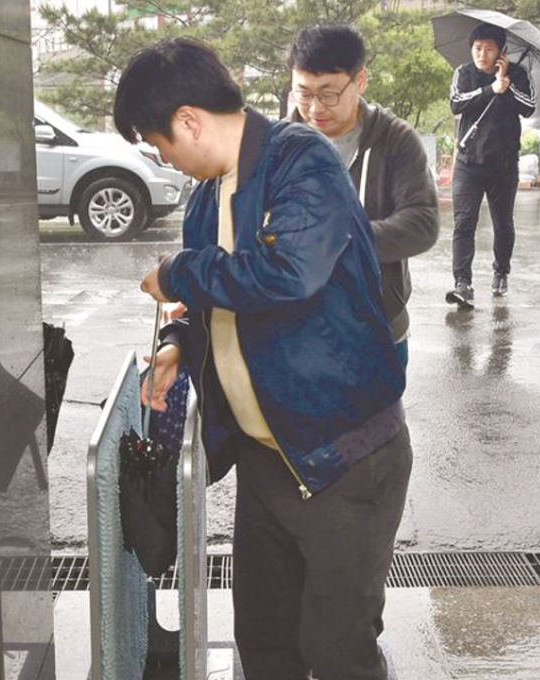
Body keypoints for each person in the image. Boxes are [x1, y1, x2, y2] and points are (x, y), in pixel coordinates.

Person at [115, 38, 413, 680]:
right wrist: (176, 345)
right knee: (264, 638)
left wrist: (176, 271)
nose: (161, 156)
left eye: (157, 141)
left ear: (189, 120)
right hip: (267, 458)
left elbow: (289, 273)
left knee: (337, 650)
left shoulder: (300, 159)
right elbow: (216, 303)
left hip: (344, 455)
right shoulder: (205, 198)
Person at [287, 25, 439, 390]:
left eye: (329, 94)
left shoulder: (395, 140)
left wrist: (340, 239)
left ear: (361, 81)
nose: (314, 108)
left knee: (377, 438)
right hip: (296, 328)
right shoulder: (281, 143)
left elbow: (422, 222)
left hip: (377, 325)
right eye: (303, 93)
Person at [447, 22, 536, 308]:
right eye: (477, 48)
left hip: (504, 165)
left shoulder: (519, 74)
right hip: (467, 163)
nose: (481, 54)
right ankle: (463, 283)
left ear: (501, 52)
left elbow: (530, 106)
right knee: (463, 223)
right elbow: (456, 103)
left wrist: (506, 85)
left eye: (488, 49)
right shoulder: (464, 73)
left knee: (503, 224)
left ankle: (501, 272)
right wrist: (490, 88)